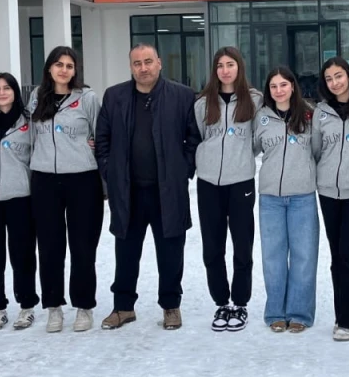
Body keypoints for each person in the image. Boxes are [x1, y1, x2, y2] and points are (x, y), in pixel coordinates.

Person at [96, 44, 200, 331]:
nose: (143, 68)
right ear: (131, 67)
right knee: (126, 252)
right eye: (137, 63)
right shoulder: (115, 96)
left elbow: (193, 139)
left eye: (148, 61)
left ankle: (171, 306)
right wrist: (110, 172)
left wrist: (182, 170)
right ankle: (123, 307)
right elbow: (102, 139)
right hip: (128, 191)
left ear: (159, 63)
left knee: (171, 253)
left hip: (167, 191)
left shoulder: (182, 96)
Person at [28, 47, 103, 334]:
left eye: (69, 66)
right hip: (45, 179)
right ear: (49, 68)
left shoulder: (87, 98)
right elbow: (31, 137)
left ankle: (84, 306)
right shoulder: (37, 97)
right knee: (49, 247)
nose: (64, 70)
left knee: (83, 246)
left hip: (82, 179)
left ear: (75, 70)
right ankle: (53, 307)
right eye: (59, 64)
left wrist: (90, 149)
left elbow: (100, 134)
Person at [193, 47, 262, 333]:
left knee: (242, 245)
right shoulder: (202, 103)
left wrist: (241, 157)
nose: (225, 70)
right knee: (212, 246)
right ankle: (221, 302)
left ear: (239, 67)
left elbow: (258, 139)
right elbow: (199, 137)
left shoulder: (254, 100)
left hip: (241, 181)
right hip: (208, 183)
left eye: (230, 64)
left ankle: (241, 303)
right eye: (220, 65)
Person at [252, 67, 320, 333]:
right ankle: (275, 313)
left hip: (302, 196)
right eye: (273, 86)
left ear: (293, 86)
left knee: (304, 256)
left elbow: (317, 150)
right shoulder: (262, 117)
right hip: (270, 198)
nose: (279, 90)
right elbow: (253, 147)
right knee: (273, 257)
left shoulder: (309, 115)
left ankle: (299, 313)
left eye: (283, 85)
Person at [310, 57, 349, 341]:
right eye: (329, 78)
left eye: (338, 76)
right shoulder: (321, 112)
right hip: (328, 191)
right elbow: (316, 149)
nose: (334, 83)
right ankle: (342, 316)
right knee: (337, 254)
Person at [0, 73, 39, 332]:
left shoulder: (28, 121)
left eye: (7, 88)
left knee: (22, 254)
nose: (2, 93)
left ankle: (27, 306)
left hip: (20, 197)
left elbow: (40, 150)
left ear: (15, 91)